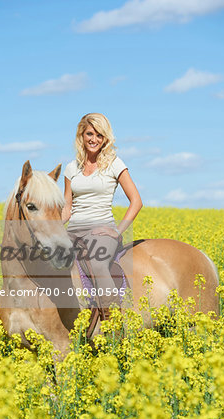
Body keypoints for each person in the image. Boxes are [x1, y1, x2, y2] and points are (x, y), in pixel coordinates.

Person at [62, 113, 143, 319]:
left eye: (100, 135)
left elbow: (136, 201)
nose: (94, 139)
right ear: (81, 135)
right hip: (72, 232)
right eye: (90, 133)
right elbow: (67, 208)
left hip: (101, 231)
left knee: (98, 264)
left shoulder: (114, 164)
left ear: (105, 139)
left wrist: (116, 230)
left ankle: (113, 324)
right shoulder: (71, 168)